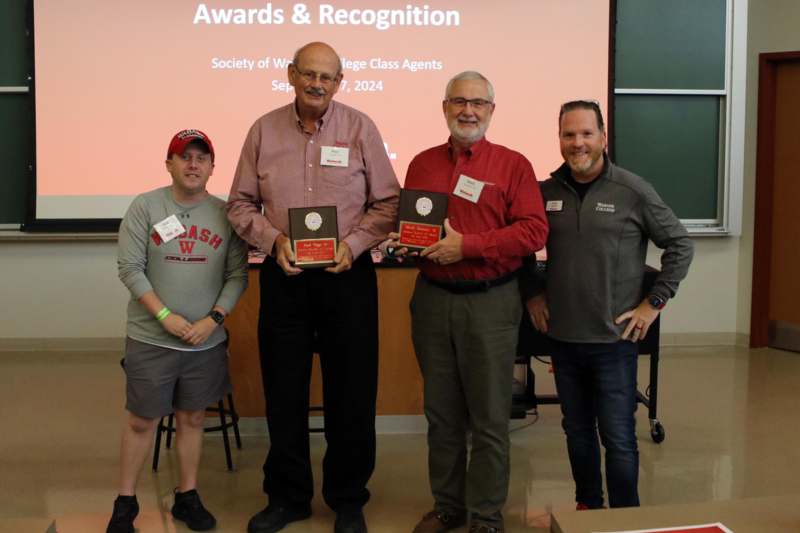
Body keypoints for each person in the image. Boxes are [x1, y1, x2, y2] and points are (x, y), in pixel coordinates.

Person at [226, 42, 399, 533]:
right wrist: (273, 240)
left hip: (348, 279)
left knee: (353, 392)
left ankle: (348, 498)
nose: (317, 84)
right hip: (286, 279)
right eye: (309, 74)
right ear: (291, 74)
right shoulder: (263, 130)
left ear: (339, 82)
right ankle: (287, 497)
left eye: (327, 77)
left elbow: (387, 204)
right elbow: (239, 204)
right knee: (283, 391)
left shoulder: (361, 128)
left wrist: (357, 243)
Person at [384, 71, 548, 533]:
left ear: (492, 111)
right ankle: (448, 506)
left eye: (478, 103)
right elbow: (415, 225)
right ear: (445, 107)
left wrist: (468, 246)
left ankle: (486, 516)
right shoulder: (421, 163)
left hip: (491, 302)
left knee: (490, 417)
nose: (468, 111)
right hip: (433, 300)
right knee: (441, 414)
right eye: (459, 101)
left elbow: (534, 231)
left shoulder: (513, 165)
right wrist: (405, 242)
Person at [524, 100, 694, 509]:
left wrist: (653, 304)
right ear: (559, 139)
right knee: (576, 431)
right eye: (569, 134)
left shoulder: (633, 191)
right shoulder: (544, 192)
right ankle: (588, 507)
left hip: (613, 342)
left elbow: (680, 244)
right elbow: (523, 247)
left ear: (603, 137)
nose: (577, 143)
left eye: (586, 134)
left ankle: (623, 518)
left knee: (617, 437)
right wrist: (532, 292)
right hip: (562, 338)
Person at [108, 129, 248, 533]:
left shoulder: (226, 214)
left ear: (211, 168)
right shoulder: (146, 206)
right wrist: (165, 315)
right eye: (184, 157)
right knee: (141, 421)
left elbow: (238, 275)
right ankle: (126, 503)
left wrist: (214, 319)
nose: (193, 164)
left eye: (201, 158)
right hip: (151, 338)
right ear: (168, 163)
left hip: (205, 341)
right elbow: (130, 268)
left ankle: (187, 496)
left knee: (191, 419)